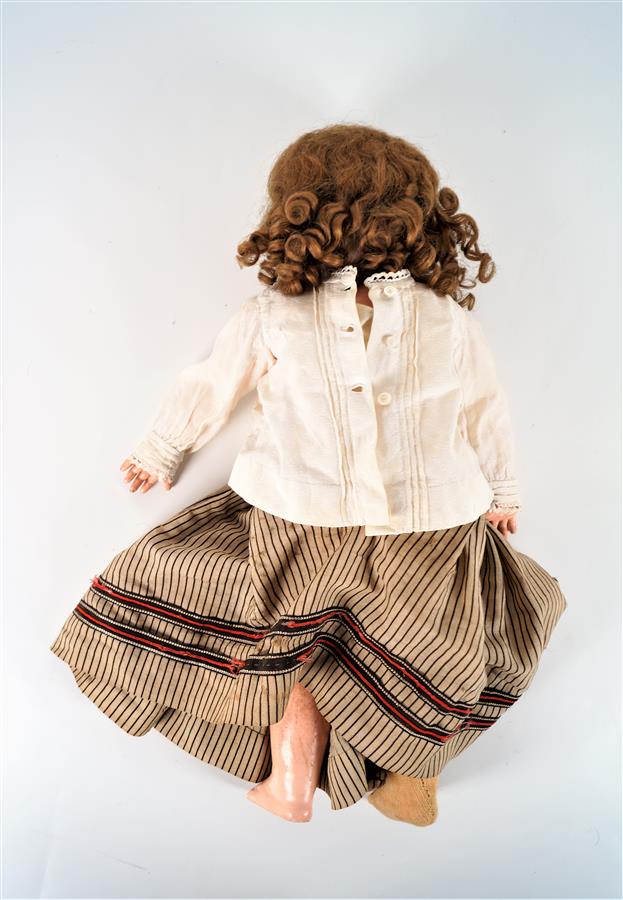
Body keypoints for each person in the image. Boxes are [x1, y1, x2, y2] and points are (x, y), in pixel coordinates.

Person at [49, 123, 567, 826]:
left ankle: (351, 776)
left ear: (297, 219)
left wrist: (503, 487)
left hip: (365, 515)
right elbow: (217, 383)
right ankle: (355, 774)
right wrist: (163, 447)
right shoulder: (317, 315)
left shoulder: (403, 317)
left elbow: (481, 407)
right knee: (373, 642)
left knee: (331, 640)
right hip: (355, 511)